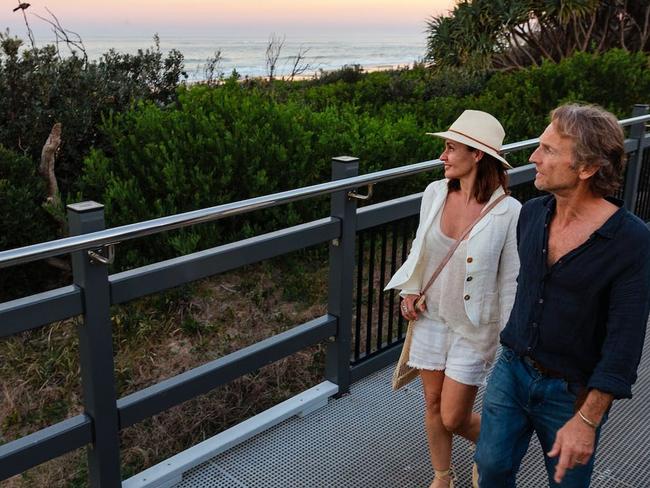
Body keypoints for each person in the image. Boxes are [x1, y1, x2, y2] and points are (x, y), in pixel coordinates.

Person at [475, 104, 650, 487]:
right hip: (512, 370)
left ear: (587, 168)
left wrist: (588, 420)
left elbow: (624, 344)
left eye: (549, 150)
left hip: (571, 393)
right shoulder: (532, 214)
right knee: (490, 467)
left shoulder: (631, 241)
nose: (534, 157)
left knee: (567, 483)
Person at [385, 110, 521, 488]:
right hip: (431, 319)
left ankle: (492, 451)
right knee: (431, 404)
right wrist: (410, 289)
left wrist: (509, 342)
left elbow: (511, 282)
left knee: (453, 416)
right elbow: (420, 250)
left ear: (477, 154)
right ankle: (442, 476)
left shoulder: (509, 213)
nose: (442, 157)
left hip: (473, 328)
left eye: (450, 148)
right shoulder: (434, 193)